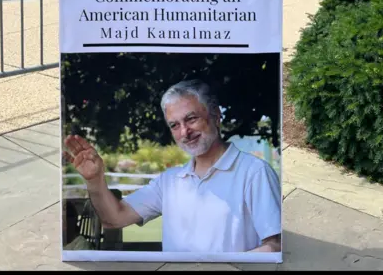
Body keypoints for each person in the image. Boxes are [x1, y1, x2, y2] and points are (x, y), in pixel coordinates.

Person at [63, 79, 281, 253]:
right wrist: (94, 181)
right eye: (175, 125)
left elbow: (275, 246)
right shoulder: (169, 181)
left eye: (191, 119)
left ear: (215, 116)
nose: (184, 132)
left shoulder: (255, 172)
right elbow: (114, 218)